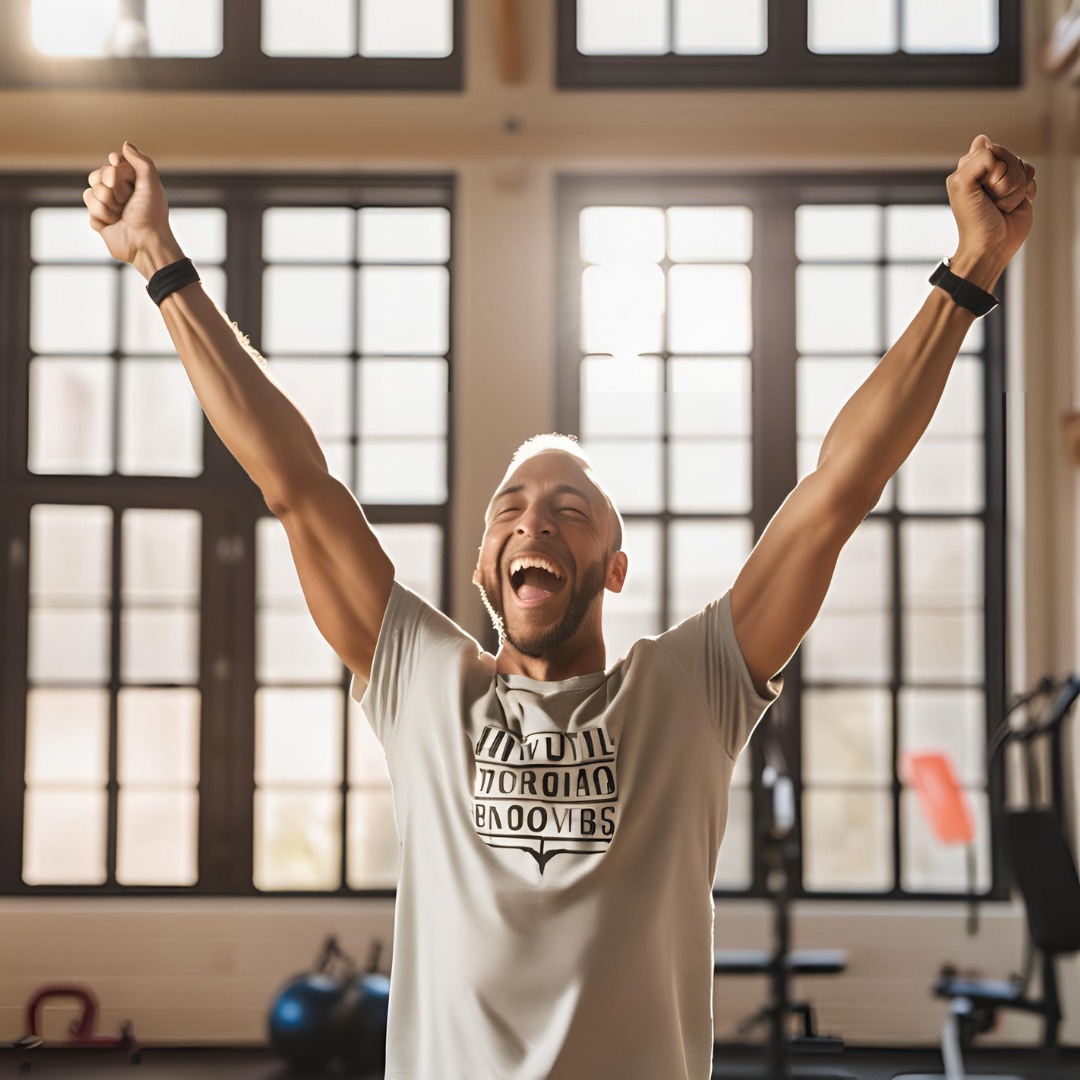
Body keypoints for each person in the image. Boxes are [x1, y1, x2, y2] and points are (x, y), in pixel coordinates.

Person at [83, 135, 1036, 1080]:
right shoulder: (424, 681)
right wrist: (157, 258)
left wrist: (971, 266)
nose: (533, 521)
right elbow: (293, 481)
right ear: (484, 569)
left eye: (569, 511)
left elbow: (840, 487)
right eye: (511, 510)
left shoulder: (687, 690)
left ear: (613, 569)